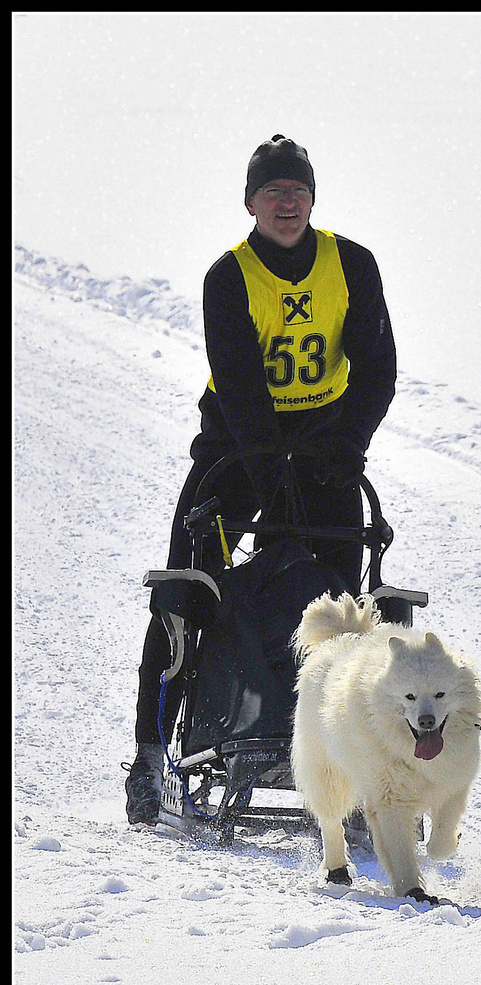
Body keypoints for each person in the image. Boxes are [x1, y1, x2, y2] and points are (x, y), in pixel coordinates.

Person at [123, 135, 397, 824]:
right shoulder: (230, 276)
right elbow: (242, 387)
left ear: (312, 200)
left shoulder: (352, 264)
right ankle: (150, 755)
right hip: (235, 449)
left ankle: (342, 749)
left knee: (341, 606)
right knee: (187, 589)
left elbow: (378, 367)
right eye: (274, 191)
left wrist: (348, 443)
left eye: (298, 190)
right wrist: (265, 469)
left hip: (324, 445)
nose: (288, 201)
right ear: (250, 203)